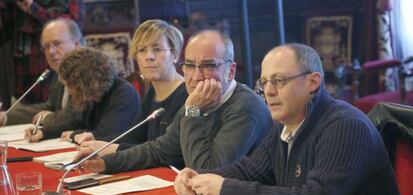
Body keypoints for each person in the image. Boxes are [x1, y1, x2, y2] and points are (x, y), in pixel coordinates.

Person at [174, 43, 410, 195]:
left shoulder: (345, 125)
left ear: (313, 82)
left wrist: (226, 190)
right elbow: (249, 170)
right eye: (264, 83)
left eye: (278, 81)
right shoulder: (287, 123)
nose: (269, 91)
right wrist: (198, 177)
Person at [75, 30, 273, 173]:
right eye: (189, 66)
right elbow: (160, 150)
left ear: (230, 71)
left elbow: (206, 170)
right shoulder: (197, 100)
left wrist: (194, 111)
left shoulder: (245, 108)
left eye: (208, 66)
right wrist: (106, 162)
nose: (196, 76)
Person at [74, 19, 188, 148]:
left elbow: (164, 151)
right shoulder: (152, 92)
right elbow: (134, 137)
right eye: (142, 50)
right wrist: (98, 141)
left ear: (175, 54)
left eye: (157, 49)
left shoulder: (186, 94)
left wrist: (110, 149)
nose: (149, 56)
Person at [24, 47, 141, 143]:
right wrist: (44, 132)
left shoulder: (124, 94)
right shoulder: (94, 95)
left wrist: (73, 135)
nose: (69, 92)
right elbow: (78, 122)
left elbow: (105, 135)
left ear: (85, 83)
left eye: (70, 86)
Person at [0, 0, 84, 108]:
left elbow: (72, 26)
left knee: (56, 108)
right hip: (22, 77)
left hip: (55, 73)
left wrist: (32, 7)